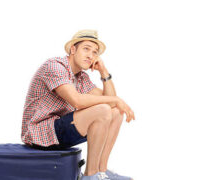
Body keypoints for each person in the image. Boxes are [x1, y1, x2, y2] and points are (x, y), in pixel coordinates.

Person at [21, 29, 135, 180]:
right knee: (103, 109)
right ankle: (90, 175)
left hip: (60, 130)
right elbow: (78, 101)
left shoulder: (81, 77)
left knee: (116, 112)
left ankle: (102, 171)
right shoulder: (55, 66)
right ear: (73, 49)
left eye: (95, 52)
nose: (90, 55)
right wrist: (115, 100)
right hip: (40, 132)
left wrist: (104, 72)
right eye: (86, 49)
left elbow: (111, 101)